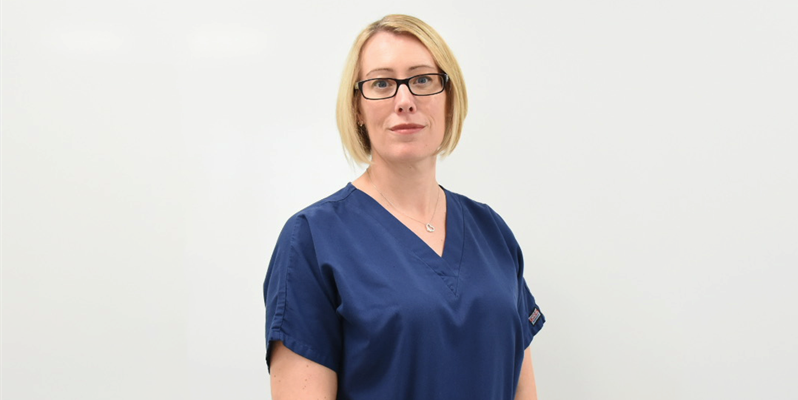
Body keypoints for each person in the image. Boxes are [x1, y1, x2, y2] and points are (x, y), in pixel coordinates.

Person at [263, 14, 545, 400]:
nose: (404, 101)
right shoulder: (313, 239)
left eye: (423, 80)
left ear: (449, 99)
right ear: (358, 108)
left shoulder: (491, 231)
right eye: (381, 83)